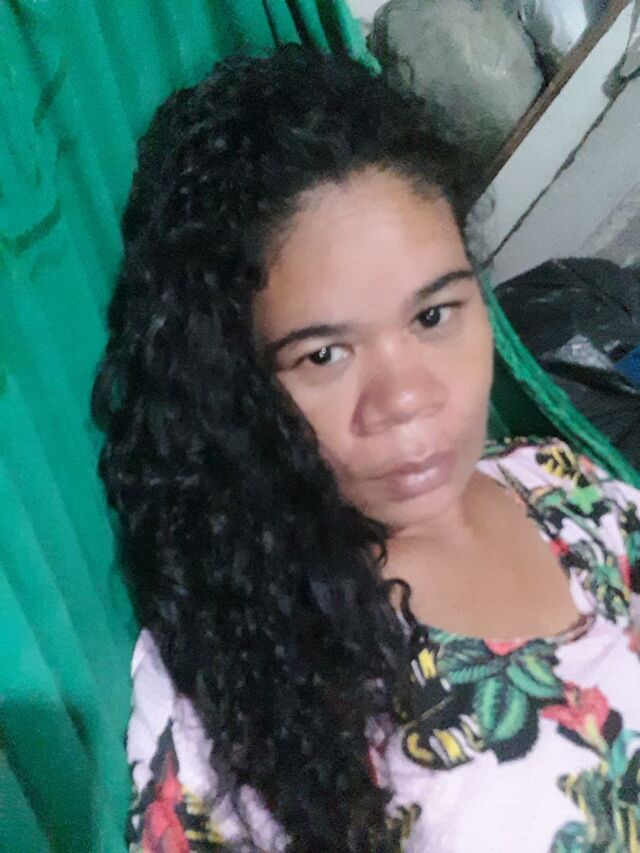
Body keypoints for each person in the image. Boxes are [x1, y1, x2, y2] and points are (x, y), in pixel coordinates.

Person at [91, 44, 640, 852]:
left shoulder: (561, 482)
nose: (406, 398)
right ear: (237, 384)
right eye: (324, 354)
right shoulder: (239, 674)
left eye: (433, 316)